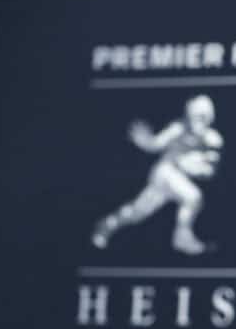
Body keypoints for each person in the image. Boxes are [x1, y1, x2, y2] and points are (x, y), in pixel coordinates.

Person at [92, 95, 222, 255]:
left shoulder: (213, 140)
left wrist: (194, 166)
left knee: (138, 212)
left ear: (210, 117)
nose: (198, 121)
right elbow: (155, 144)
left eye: (203, 117)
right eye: (195, 116)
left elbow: (210, 172)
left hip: (174, 181)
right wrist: (145, 141)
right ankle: (182, 237)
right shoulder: (178, 128)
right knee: (193, 197)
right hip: (165, 173)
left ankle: (107, 224)